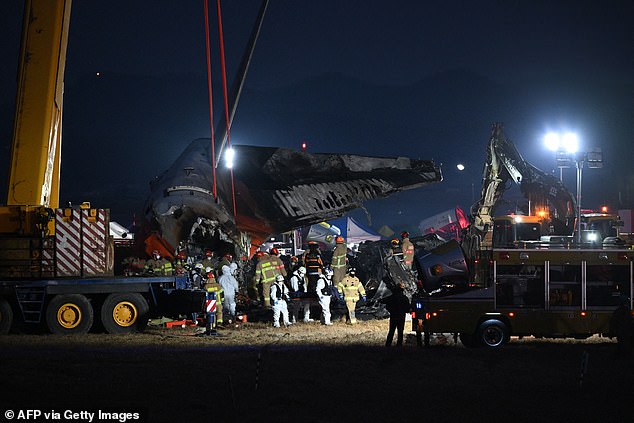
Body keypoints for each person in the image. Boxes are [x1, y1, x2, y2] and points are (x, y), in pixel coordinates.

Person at [382, 282, 410, 347]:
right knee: (400, 332)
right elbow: (408, 308)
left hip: (393, 316)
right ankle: (399, 345)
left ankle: (388, 345)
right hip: (401, 317)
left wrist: (391, 311)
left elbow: (387, 305)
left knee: (391, 331)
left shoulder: (392, 298)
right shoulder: (405, 298)